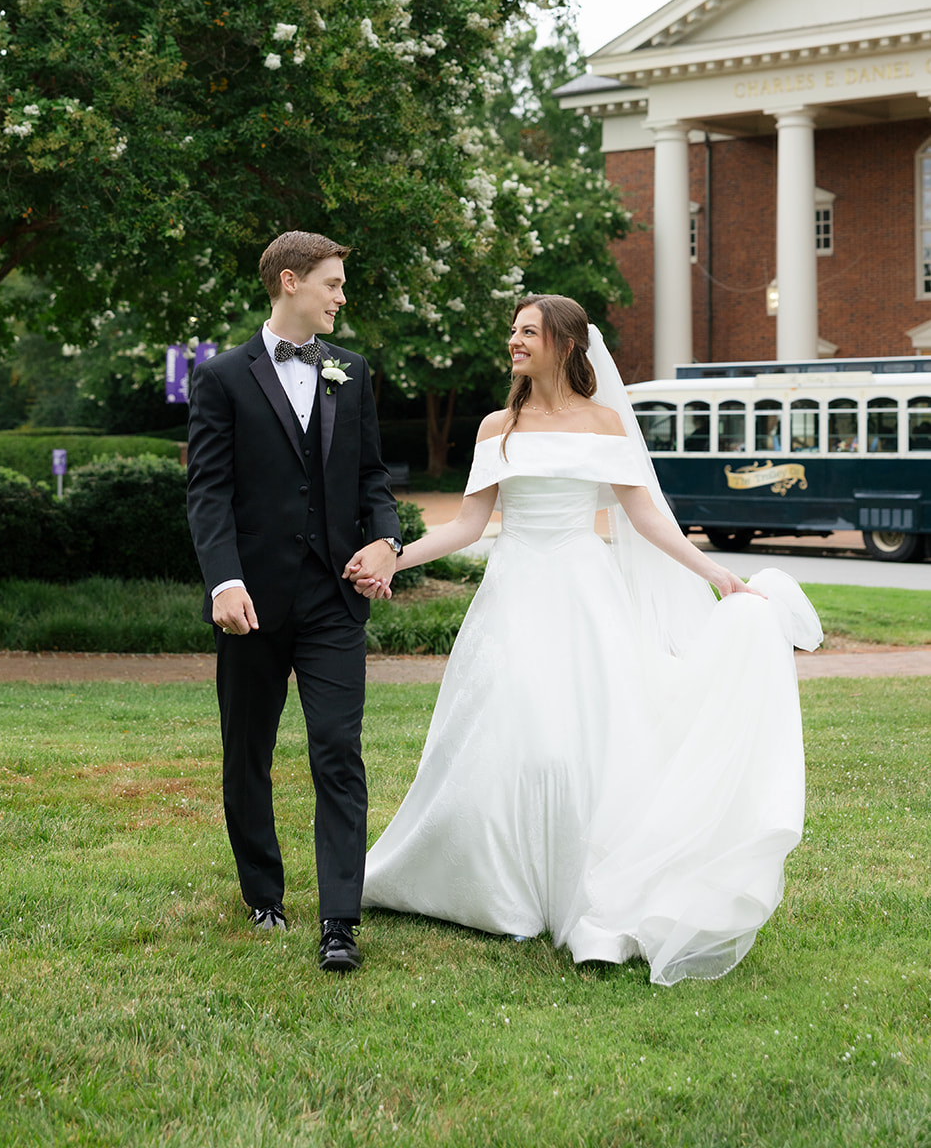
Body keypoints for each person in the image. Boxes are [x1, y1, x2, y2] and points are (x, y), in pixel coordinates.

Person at [353, 296, 822, 987]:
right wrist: (396, 558)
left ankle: (580, 894)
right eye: (513, 331)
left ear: (567, 345)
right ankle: (501, 894)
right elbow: (467, 526)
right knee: (510, 735)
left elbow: (649, 520)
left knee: (581, 739)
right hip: (513, 593)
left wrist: (717, 574)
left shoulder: (605, 424)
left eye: (528, 332)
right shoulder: (496, 427)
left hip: (583, 591)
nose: (514, 341)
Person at [186, 231, 402, 973]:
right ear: (289, 281)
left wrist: (387, 541)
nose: (341, 296)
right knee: (247, 749)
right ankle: (263, 895)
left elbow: (372, 477)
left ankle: (339, 919)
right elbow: (208, 491)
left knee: (337, 748)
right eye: (332, 283)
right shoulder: (221, 377)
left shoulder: (352, 371)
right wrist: (224, 580)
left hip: (333, 597)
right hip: (251, 600)